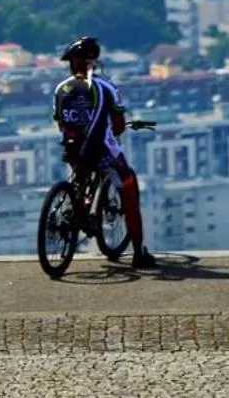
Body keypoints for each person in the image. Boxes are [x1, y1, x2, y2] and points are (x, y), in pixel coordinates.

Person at [53, 36, 155, 269]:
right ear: (94, 62)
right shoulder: (107, 88)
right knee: (129, 188)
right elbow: (118, 126)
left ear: (72, 63)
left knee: (81, 177)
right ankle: (139, 253)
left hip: (72, 148)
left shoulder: (61, 89)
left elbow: (60, 123)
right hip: (102, 151)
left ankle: (76, 211)